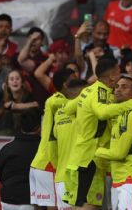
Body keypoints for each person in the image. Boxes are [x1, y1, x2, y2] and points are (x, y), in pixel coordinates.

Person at [63, 58, 132, 209]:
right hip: (88, 160)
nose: (120, 75)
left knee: (85, 204)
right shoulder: (99, 92)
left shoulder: (88, 90)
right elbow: (102, 113)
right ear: (112, 76)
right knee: (88, 205)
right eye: (119, 72)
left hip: (84, 157)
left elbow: (68, 109)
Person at [94, 75, 132, 210]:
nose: (118, 90)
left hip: (130, 178)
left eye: (124, 87)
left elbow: (119, 153)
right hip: (120, 178)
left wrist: (96, 151)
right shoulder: (119, 115)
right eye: (117, 87)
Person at [29, 68, 76, 209]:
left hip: (44, 162)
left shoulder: (60, 102)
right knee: (53, 207)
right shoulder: (56, 100)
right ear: (65, 85)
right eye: (74, 80)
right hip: (48, 162)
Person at [52, 79, 88, 210]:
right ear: (81, 93)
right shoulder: (84, 112)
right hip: (77, 178)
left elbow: (56, 135)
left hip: (61, 178)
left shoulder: (58, 113)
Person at [0, 108, 40, 210]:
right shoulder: (44, 150)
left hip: (7, 198)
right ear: (39, 127)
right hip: (32, 201)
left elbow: (0, 173)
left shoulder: (7, 148)